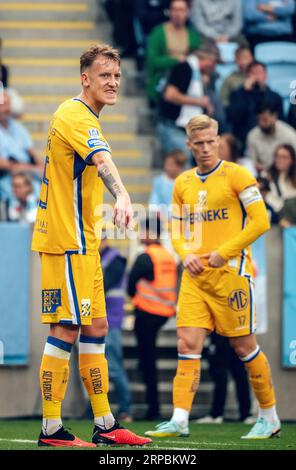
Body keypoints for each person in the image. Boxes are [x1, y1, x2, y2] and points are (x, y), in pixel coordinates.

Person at [31, 44, 151, 448]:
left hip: (84, 245)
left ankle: (105, 424)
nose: (113, 82)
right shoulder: (75, 115)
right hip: (67, 242)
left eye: (117, 75)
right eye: (104, 75)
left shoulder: (85, 118)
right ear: (86, 78)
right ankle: (51, 429)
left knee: (97, 327)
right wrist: (121, 195)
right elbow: (103, 161)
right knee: (65, 328)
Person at [146, 114, 280, 440]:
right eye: (199, 144)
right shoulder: (182, 183)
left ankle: (270, 417)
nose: (206, 148)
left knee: (243, 346)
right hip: (195, 277)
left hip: (231, 275)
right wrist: (184, 253)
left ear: (218, 140)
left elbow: (260, 222)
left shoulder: (238, 176)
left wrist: (226, 251)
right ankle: (180, 418)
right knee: (187, 344)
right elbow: (176, 227)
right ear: (189, 145)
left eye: (211, 142)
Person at [128, 216, 178, 420]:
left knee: (147, 362)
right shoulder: (168, 256)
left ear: (150, 233)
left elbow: (130, 285)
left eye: (142, 230)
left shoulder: (145, 257)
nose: (139, 235)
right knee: (149, 360)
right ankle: (154, 407)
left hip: (147, 313)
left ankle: (153, 409)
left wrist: (136, 298)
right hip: (164, 314)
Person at [157, 41, 225, 156]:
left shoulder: (198, 75)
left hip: (184, 131)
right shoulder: (185, 68)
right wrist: (199, 102)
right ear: (207, 59)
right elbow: (170, 95)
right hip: (173, 128)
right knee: (183, 166)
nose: (214, 67)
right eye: (214, 63)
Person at [99, 234, 132, 422]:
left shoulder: (115, 259)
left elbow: (103, 285)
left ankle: (125, 409)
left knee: (114, 367)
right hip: (101, 321)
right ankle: (96, 409)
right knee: (99, 366)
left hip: (111, 320)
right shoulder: (102, 258)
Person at [146, 0, 200, 106]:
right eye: (174, 9)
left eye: (181, 10)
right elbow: (152, 61)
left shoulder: (193, 35)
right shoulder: (158, 33)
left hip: (188, 81)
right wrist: (175, 60)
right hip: (164, 80)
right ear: (169, 12)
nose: (178, 13)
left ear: (187, 12)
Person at [195, 332, 253, 424]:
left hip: (237, 333)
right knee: (219, 376)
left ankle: (246, 414)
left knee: (240, 375)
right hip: (220, 334)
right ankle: (216, 414)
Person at [228, 61, 284, 150]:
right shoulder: (237, 95)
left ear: (265, 76)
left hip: (269, 140)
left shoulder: (275, 97)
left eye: (259, 73)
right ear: (247, 76)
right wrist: (245, 92)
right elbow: (233, 117)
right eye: (253, 73)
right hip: (243, 140)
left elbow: (280, 122)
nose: (256, 77)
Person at [0, 91, 42, 201]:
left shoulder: (17, 126)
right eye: (3, 105)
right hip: (6, 174)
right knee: (17, 187)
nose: (6, 108)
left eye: (8, 104)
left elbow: (33, 152)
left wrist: (41, 167)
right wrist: (29, 168)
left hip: (27, 172)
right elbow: (3, 164)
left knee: (40, 188)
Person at [247, 102, 296, 173]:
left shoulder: (289, 135)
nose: (262, 124)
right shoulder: (252, 136)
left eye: (265, 120)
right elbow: (252, 163)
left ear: (274, 117)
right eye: (259, 120)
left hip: (288, 175)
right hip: (264, 176)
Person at [149, 150, 187, 218]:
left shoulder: (186, 181)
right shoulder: (159, 182)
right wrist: (161, 217)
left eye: (171, 165)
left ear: (179, 167)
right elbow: (154, 203)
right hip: (163, 221)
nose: (167, 167)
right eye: (166, 164)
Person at [265, 144, 296, 213]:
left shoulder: (293, 178)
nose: (279, 160)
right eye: (277, 156)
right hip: (274, 215)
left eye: (284, 157)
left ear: (292, 160)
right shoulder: (266, 176)